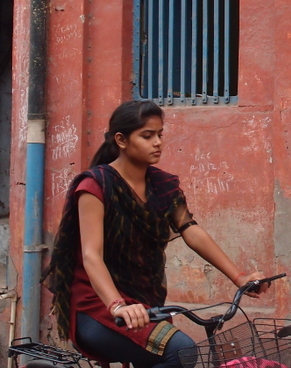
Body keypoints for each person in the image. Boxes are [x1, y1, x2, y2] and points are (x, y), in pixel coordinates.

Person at [43, 100, 266, 368]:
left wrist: (239, 277)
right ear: (121, 140)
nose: (157, 142)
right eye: (147, 136)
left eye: (160, 134)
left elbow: (190, 230)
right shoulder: (96, 185)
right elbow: (91, 256)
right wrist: (117, 305)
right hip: (98, 307)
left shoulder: (163, 185)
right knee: (181, 351)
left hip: (145, 305)